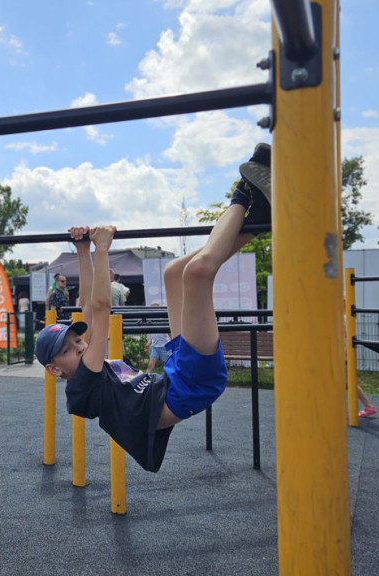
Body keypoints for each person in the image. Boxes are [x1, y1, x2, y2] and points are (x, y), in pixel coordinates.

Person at [36, 142, 270, 472]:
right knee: (197, 274)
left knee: (174, 273)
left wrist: (82, 249)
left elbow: (87, 307)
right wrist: (102, 250)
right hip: (189, 386)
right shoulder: (82, 388)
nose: (80, 345)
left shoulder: (85, 367)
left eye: (77, 340)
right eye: (70, 349)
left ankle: (259, 220)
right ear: (55, 369)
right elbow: (101, 308)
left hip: (174, 374)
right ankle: (243, 194)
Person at [144, 301, 170, 374]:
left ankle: (169, 379)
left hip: (163, 347)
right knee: (150, 366)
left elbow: (169, 333)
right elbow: (152, 336)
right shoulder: (151, 321)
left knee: (168, 365)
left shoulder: (162, 320)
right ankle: (146, 378)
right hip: (155, 347)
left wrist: (171, 344)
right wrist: (148, 344)